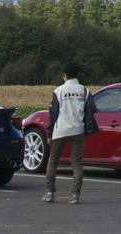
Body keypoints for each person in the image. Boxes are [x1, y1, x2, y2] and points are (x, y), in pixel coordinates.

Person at [43, 63, 94, 203]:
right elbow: (91, 110)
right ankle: (75, 195)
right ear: (78, 75)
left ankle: (49, 193)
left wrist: (49, 133)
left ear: (64, 75)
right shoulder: (85, 90)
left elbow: (52, 114)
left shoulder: (59, 91)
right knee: (77, 163)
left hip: (61, 129)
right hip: (78, 129)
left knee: (53, 161)